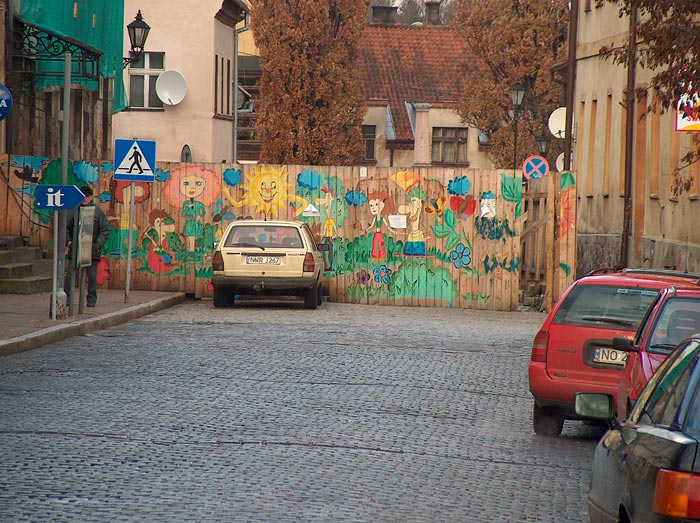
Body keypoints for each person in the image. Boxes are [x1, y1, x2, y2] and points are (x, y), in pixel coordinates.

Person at [64, 185, 110, 307]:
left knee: (92, 277)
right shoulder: (73, 211)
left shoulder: (98, 212)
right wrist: (68, 242)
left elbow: (104, 230)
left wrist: (98, 244)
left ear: (91, 197)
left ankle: (91, 300)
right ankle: (67, 298)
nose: (84, 199)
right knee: (70, 275)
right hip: (75, 249)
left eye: (87, 196)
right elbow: (66, 228)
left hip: (92, 250)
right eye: (82, 196)